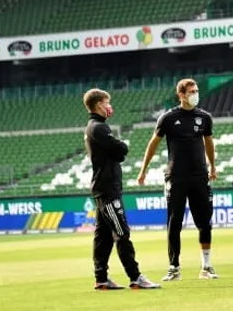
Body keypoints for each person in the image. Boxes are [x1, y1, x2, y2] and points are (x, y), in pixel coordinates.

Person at [137, 78, 219, 281]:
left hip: (199, 175)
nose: (195, 94)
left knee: (204, 222)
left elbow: (209, 142)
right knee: (174, 223)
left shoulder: (204, 117)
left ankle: (206, 266)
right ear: (181, 95)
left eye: (196, 91)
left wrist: (212, 166)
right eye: (191, 91)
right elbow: (153, 144)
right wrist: (143, 170)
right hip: (176, 176)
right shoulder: (168, 118)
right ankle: (174, 267)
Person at [83, 88, 160, 290]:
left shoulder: (93, 127)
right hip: (108, 190)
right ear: (99, 105)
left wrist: (117, 151)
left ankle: (101, 278)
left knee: (103, 236)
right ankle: (135, 277)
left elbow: (118, 153)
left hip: (103, 188)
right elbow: (122, 149)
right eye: (107, 103)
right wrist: (119, 148)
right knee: (121, 232)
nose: (110, 106)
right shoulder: (99, 128)